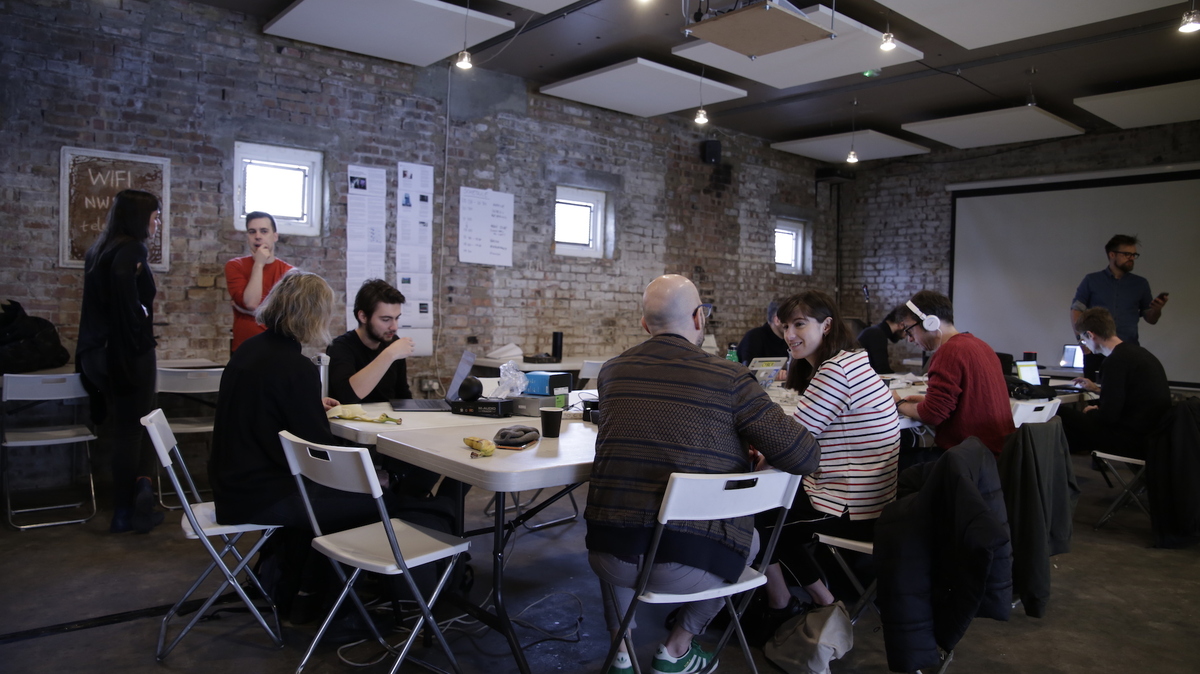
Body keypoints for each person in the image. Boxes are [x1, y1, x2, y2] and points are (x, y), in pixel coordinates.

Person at [585, 274, 820, 674]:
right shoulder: (730, 379)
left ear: (645, 324)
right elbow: (804, 455)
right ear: (699, 318)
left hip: (607, 557)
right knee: (752, 541)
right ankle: (677, 648)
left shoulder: (611, 372)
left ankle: (620, 650)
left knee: (620, 510)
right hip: (689, 564)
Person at [209, 271, 402, 617]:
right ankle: (334, 605)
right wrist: (374, 478)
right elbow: (322, 455)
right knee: (381, 499)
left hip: (231, 483)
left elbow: (268, 413)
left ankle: (299, 584)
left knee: (356, 495)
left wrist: (311, 404)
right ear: (313, 316)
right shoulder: (294, 368)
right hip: (261, 496)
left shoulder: (251, 350)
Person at [757, 291, 901, 633]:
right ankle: (798, 600)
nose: (789, 334)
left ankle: (800, 603)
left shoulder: (835, 372)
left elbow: (791, 443)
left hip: (850, 506)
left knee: (755, 518)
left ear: (827, 325)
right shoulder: (852, 361)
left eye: (800, 324)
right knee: (768, 512)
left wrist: (758, 458)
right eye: (785, 325)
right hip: (872, 497)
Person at [76, 189, 164, 534]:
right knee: (137, 430)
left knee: (130, 428)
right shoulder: (132, 248)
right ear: (140, 217)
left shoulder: (99, 250)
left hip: (97, 354)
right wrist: (140, 321)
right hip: (126, 353)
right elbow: (125, 297)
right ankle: (127, 509)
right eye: (155, 216)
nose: (157, 223)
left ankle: (139, 494)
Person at [894, 291, 1014, 456]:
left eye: (909, 330)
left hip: (968, 461)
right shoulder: (981, 345)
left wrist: (899, 403)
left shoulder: (949, 352)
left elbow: (932, 416)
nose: (910, 339)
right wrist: (926, 402)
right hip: (995, 455)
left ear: (930, 322)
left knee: (902, 465)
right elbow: (970, 401)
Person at [1058, 308, 1171, 460]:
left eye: (1083, 340)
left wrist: (1091, 411)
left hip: (1132, 441)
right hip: (1155, 438)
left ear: (1090, 335)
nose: (1084, 344)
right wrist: (1098, 392)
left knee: (1059, 412)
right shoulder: (1140, 354)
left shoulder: (1114, 362)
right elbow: (1130, 399)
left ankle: (1047, 474)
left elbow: (1108, 417)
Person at [1070, 234, 1167, 377]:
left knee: (1128, 393)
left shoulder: (1140, 284)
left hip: (1129, 349)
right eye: (1127, 254)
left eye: (1134, 255)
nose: (1132, 258)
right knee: (1095, 394)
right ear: (1112, 254)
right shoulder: (1092, 280)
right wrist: (1082, 341)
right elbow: (1076, 310)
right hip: (1097, 350)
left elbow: (1151, 319)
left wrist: (1157, 310)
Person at [326, 279, 414, 404]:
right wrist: (389, 355)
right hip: (353, 421)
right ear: (363, 317)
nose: (394, 327)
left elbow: (403, 394)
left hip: (389, 420)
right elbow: (348, 396)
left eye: (396, 318)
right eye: (385, 319)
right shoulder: (340, 347)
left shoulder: (393, 342)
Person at [225, 211, 293, 352]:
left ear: (275, 236)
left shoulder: (289, 272)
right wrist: (259, 264)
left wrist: (250, 312)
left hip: (279, 348)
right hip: (245, 348)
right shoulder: (235, 266)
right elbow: (251, 303)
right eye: (252, 232)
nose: (257, 236)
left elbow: (288, 316)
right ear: (247, 237)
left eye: (264, 231)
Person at [736, 299, 789, 366]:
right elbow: (749, 370)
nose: (792, 326)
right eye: (789, 319)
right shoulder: (754, 337)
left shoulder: (788, 339)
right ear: (777, 320)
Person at [857, 305, 905, 374]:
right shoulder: (877, 334)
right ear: (901, 325)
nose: (905, 337)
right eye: (907, 332)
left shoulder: (876, 332)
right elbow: (882, 370)